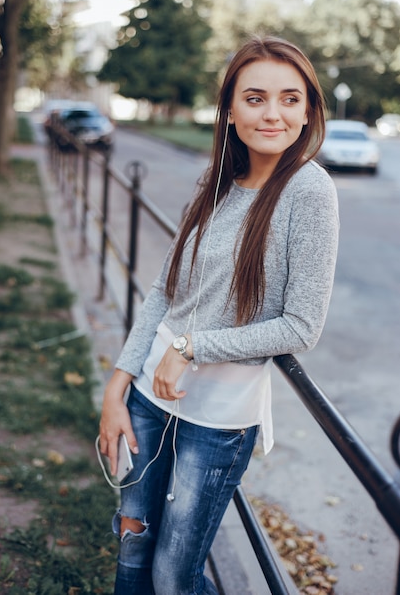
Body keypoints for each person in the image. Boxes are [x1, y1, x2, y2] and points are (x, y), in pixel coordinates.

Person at [99, 34, 339, 595]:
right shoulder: (217, 186)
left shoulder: (309, 190)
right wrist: (118, 386)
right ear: (230, 111)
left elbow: (302, 326)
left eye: (289, 99)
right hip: (149, 399)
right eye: (254, 98)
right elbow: (164, 292)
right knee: (133, 543)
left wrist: (190, 348)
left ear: (307, 112)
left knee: (172, 574)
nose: (272, 113)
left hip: (220, 418)